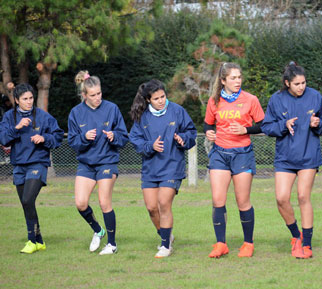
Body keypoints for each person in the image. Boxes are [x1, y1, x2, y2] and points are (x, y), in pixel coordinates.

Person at [261, 62, 322, 259]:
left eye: (304, 83)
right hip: (285, 158)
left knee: (302, 196)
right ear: (287, 83)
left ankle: (307, 245)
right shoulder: (276, 100)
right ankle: (296, 236)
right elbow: (267, 127)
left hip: (309, 156)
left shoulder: (315, 96)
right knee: (281, 198)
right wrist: (283, 124)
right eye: (297, 83)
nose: (302, 87)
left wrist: (318, 124)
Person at [129, 79, 197, 258]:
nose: (161, 100)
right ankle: (167, 236)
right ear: (148, 100)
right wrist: (150, 146)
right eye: (156, 98)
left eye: (163, 96)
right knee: (152, 208)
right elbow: (135, 140)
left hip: (172, 166)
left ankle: (165, 246)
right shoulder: (142, 116)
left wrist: (183, 139)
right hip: (150, 168)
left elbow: (191, 132)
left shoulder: (177, 111)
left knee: (164, 204)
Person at [204, 62, 265, 258]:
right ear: (223, 81)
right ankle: (221, 244)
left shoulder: (250, 99)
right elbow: (207, 125)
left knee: (242, 201)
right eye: (233, 78)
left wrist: (245, 130)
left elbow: (264, 126)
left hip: (242, 154)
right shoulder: (214, 101)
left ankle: (248, 244)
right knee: (217, 200)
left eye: (239, 77)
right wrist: (209, 133)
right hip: (220, 154)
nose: (237, 81)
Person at [68, 71, 129, 255]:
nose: (97, 98)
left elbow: (123, 137)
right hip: (86, 164)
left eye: (99, 93)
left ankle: (112, 244)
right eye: (93, 95)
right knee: (80, 203)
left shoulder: (112, 109)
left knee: (104, 202)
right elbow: (73, 142)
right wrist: (84, 137)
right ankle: (98, 230)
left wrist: (114, 136)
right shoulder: (76, 113)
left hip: (107, 162)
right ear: (84, 95)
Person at [0, 83, 64, 253]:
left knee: (28, 199)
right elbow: (4, 139)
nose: (29, 102)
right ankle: (39, 240)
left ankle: (31, 241)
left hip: (37, 163)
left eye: (31, 98)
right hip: (19, 165)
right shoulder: (8, 117)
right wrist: (17, 128)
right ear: (16, 100)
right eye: (25, 99)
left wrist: (44, 138)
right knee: (25, 203)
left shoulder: (43, 116)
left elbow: (57, 136)